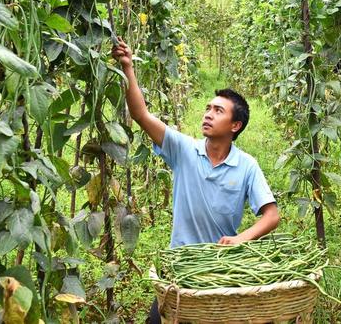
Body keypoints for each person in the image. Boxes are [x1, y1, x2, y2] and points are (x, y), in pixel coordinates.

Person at [111, 39, 280, 323]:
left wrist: (240, 239)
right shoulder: (184, 150)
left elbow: (272, 215)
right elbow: (140, 114)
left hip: (219, 268)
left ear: (235, 126)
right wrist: (128, 68)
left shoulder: (247, 166)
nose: (208, 114)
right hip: (180, 267)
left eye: (218, 111)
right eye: (207, 108)